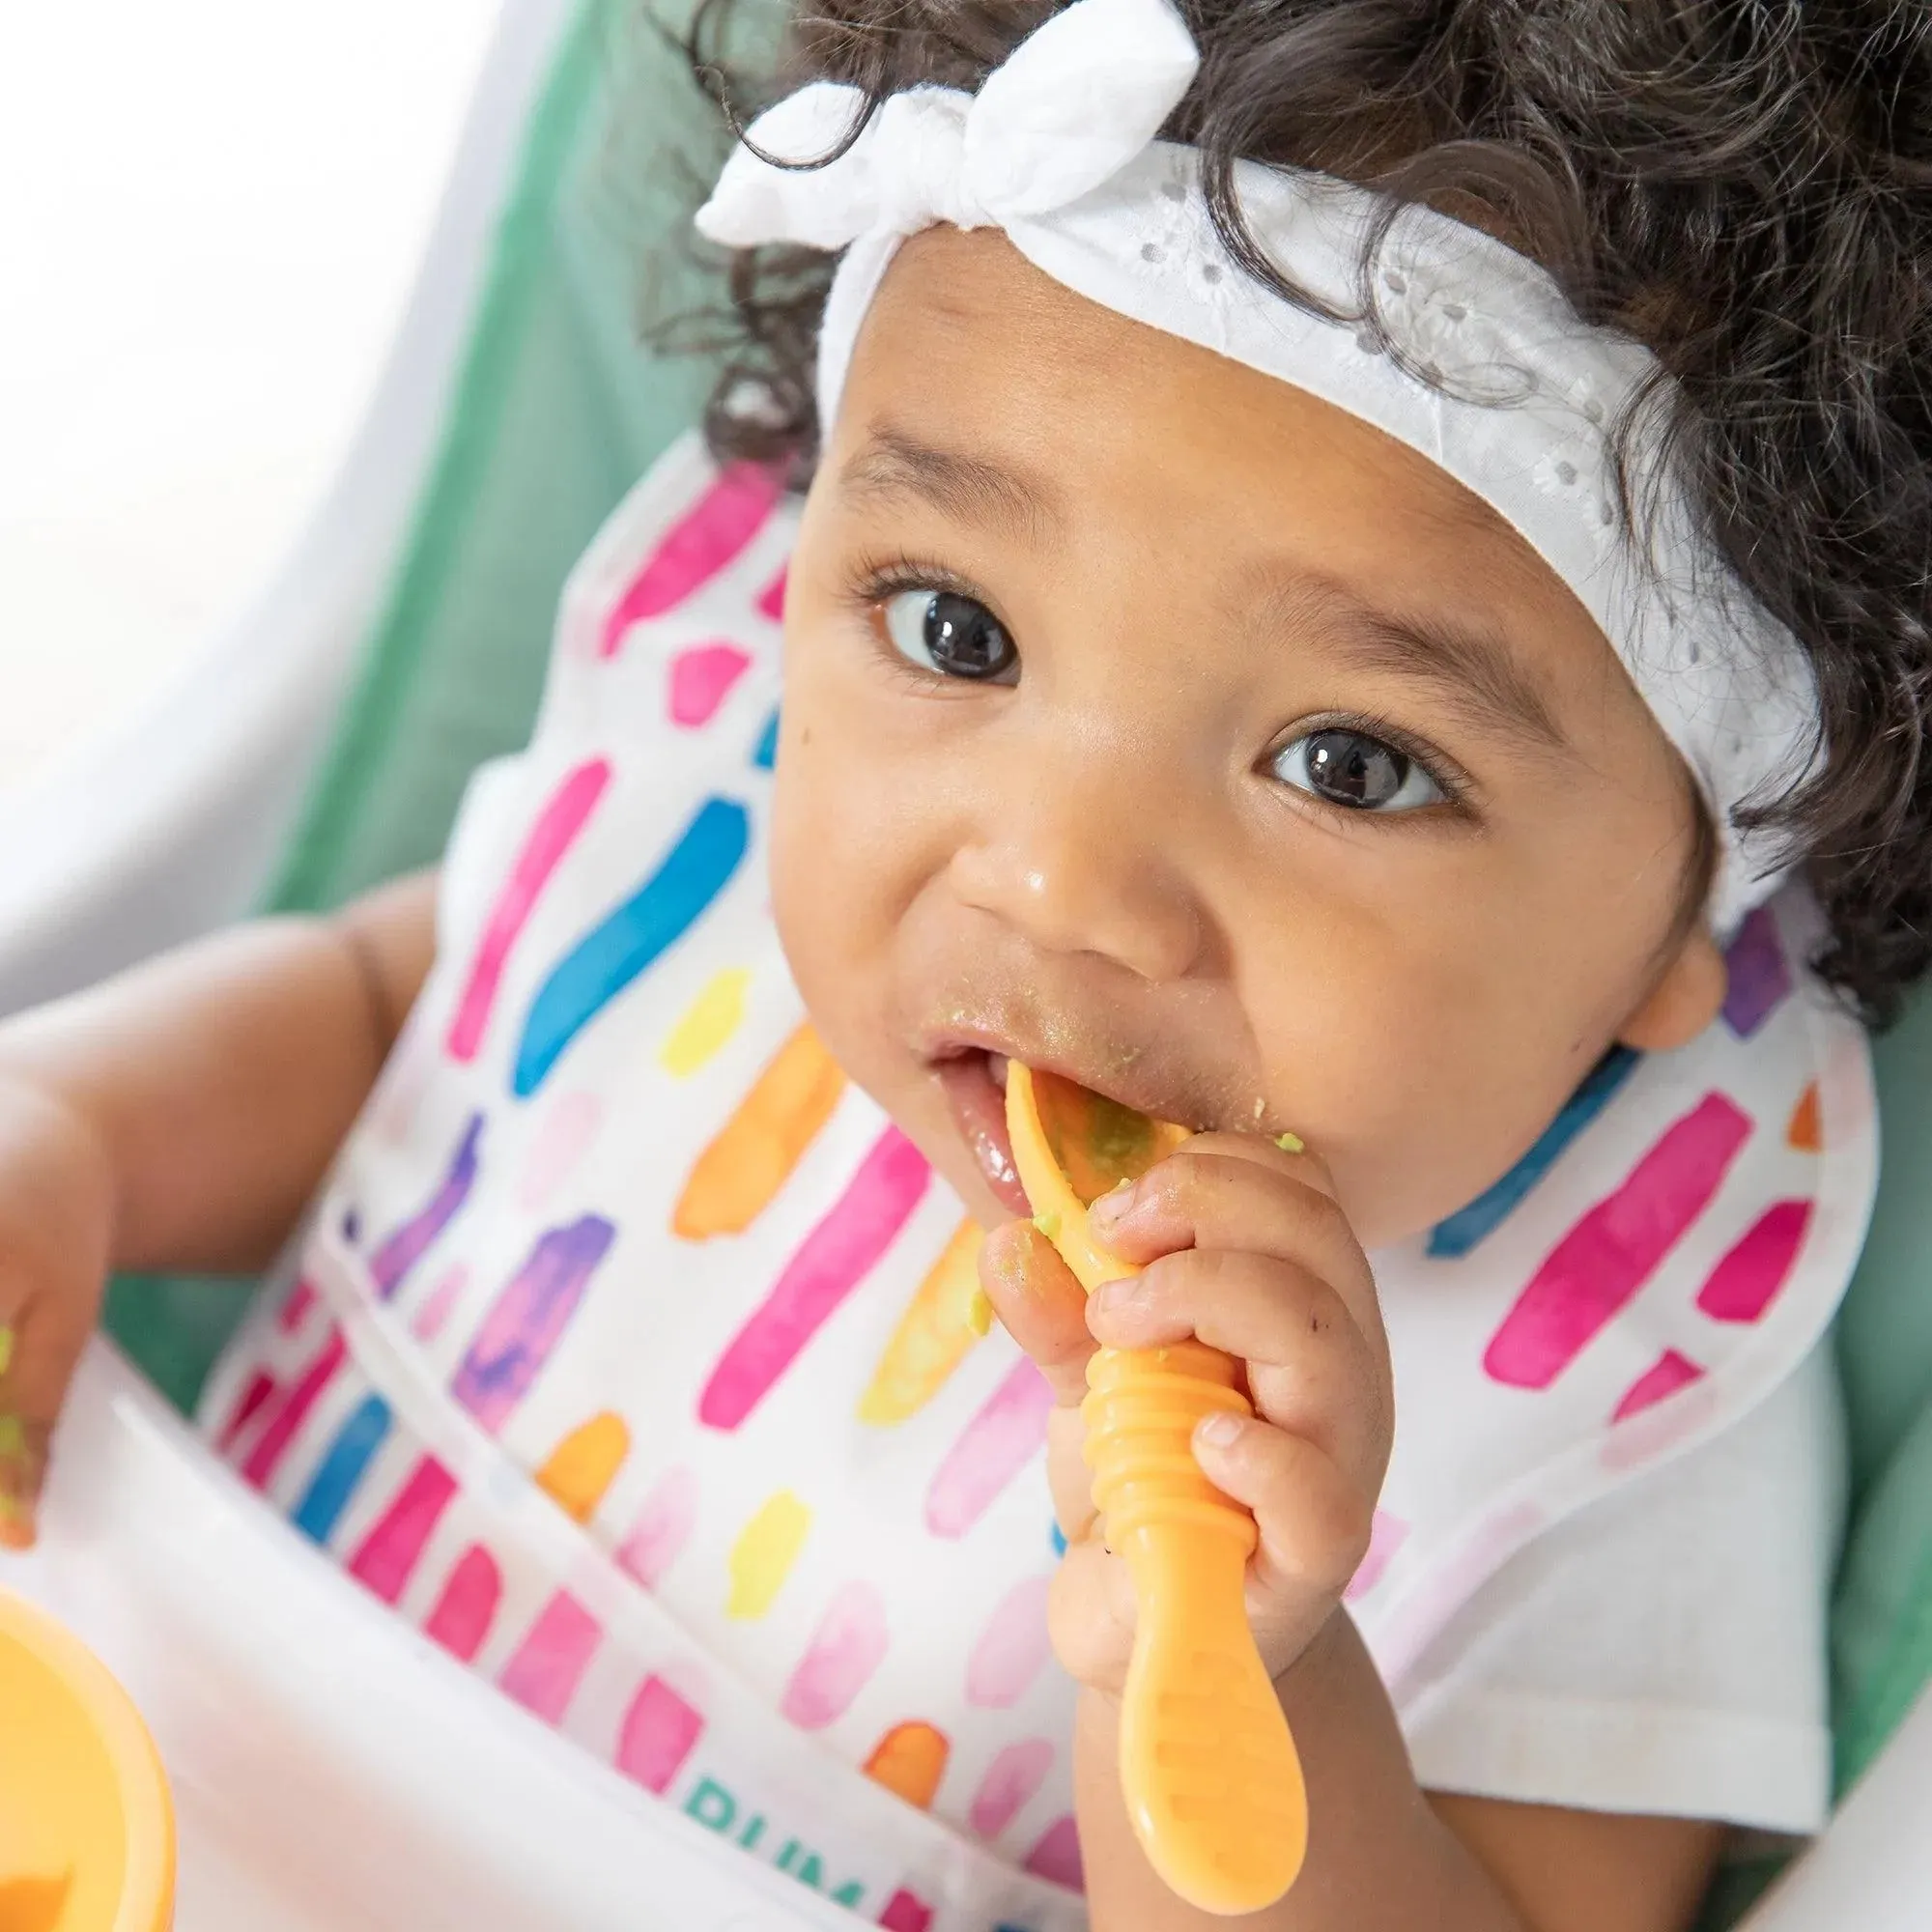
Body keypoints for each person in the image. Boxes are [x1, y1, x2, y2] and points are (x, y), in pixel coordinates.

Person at [1, 1, 1927, 1926]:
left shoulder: (1614, 1382)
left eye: (1349, 764)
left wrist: (1246, 1662)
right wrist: (74, 1122)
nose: (1056, 879)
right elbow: (384, 1012)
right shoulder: (717, 856)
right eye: (951, 630)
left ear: (1683, 930)